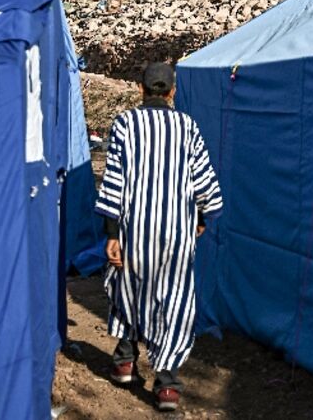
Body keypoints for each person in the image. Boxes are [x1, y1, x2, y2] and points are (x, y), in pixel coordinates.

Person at [96, 61, 223, 413]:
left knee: (127, 288)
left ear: (140, 89)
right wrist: (201, 217)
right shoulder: (188, 126)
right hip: (176, 235)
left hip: (135, 230)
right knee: (173, 301)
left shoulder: (125, 124)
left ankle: (124, 361)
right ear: (171, 92)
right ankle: (167, 384)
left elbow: (114, 182)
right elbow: (203, 181)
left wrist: (112, 234)